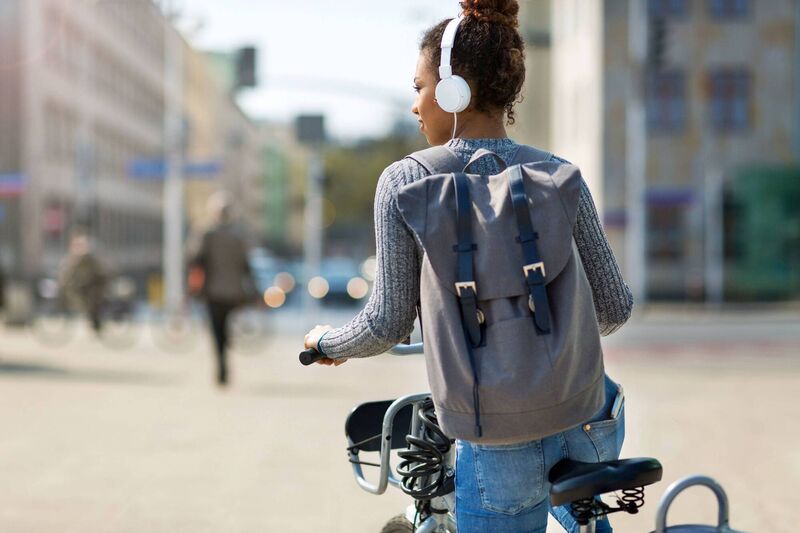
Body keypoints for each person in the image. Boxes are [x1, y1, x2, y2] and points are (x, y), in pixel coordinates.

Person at [303, 1, 634, 531]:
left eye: (419, 88)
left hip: (497, 434)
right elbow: (614, 308)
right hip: (590, 417)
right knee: (586, 520)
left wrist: (325, 344)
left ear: (453, 89)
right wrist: (542, 337)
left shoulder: (406, 182)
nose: (415, 106)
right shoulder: (560, 174)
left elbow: (387, 324)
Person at [191, 192, 255, 387]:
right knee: (224, 325)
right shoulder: (239, 235)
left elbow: (195, 259)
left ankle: (221, 365)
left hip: (213, 291)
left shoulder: (206, 233)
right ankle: (226, 349)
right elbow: (246, 264)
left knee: (216, 329)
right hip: (234, 291)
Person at [59, 231, 108, 333]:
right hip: (90, 282)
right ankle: (93, 320)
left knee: (92, 301)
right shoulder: (80, 256)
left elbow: (74, 271)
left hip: (98, 282)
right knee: (83, 297)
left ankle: (96, 321)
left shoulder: (87, 256)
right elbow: (69, 271)